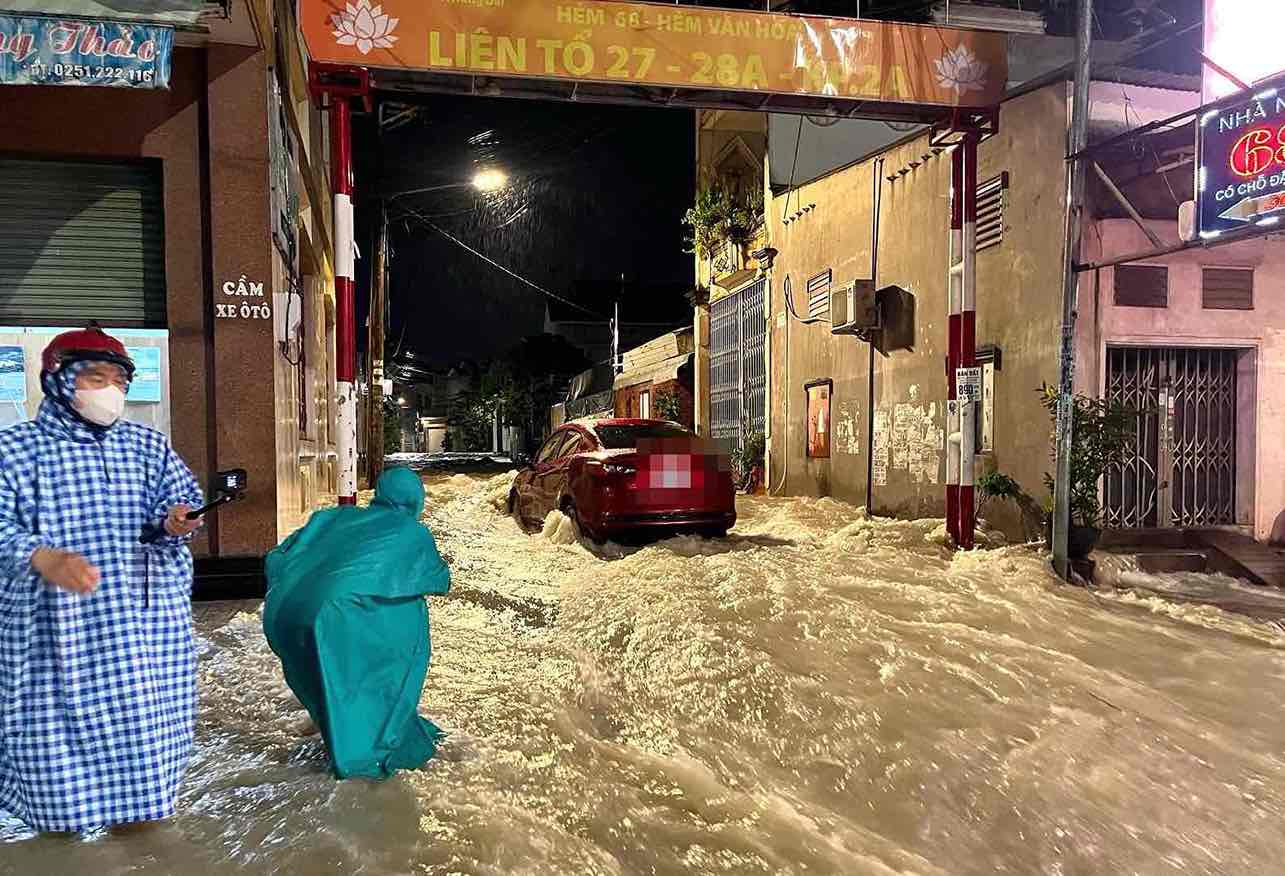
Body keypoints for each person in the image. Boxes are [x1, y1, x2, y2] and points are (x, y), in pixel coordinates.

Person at [0, 326, 204, 833]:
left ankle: (141, 853)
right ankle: (65, 846)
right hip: (51, 639)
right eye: (96, 377)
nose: (110, 390)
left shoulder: (147, 447)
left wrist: (174, 521)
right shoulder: (13, 450)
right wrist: (39, 555)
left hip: (138, 641)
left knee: (144, 765)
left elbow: (174, 505)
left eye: (118, 380)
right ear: (58, 380)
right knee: (53, 768)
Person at [263, 466, 450, 779]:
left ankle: (340, 735)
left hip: (287, 616)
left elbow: (279, 556)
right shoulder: (411, 532)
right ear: (416, 500)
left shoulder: (334, 517)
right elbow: (439, 579)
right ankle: (364, 759)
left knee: (330, 681)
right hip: (337, 619)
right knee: (408, 614)